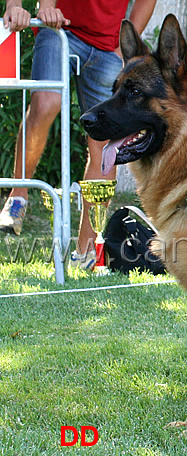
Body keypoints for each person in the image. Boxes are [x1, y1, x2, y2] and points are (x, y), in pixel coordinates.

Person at [0, 0, 156, 270]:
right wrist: (43, 5)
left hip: (108, 48)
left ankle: (85, 253)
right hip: (58, 28)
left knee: (107, 143)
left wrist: (126, 43)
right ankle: (18, 198)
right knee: (45, 103)